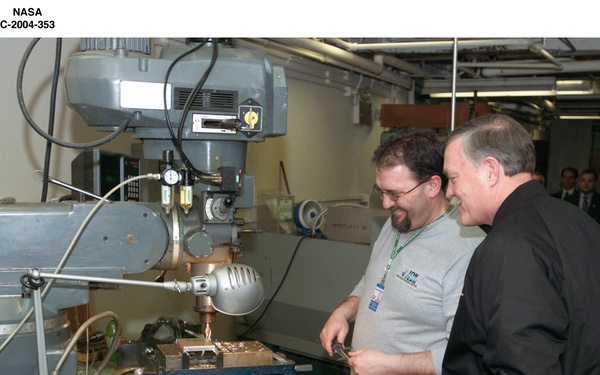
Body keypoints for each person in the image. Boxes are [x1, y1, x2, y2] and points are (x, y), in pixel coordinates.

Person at [441, 113, 600, 374]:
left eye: (454, 177)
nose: (449, 192)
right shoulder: (579, 221)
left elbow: (523, 365)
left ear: (490, 171)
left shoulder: (511, 246)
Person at [319, 129, 486, 375]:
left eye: (395, 194)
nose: (386, 204)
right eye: (381, 191)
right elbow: (374, 280)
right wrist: (343, 312)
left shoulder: (467, 250)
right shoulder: (398, 220)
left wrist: (388, 365)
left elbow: (465, 358)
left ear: (432, 186)